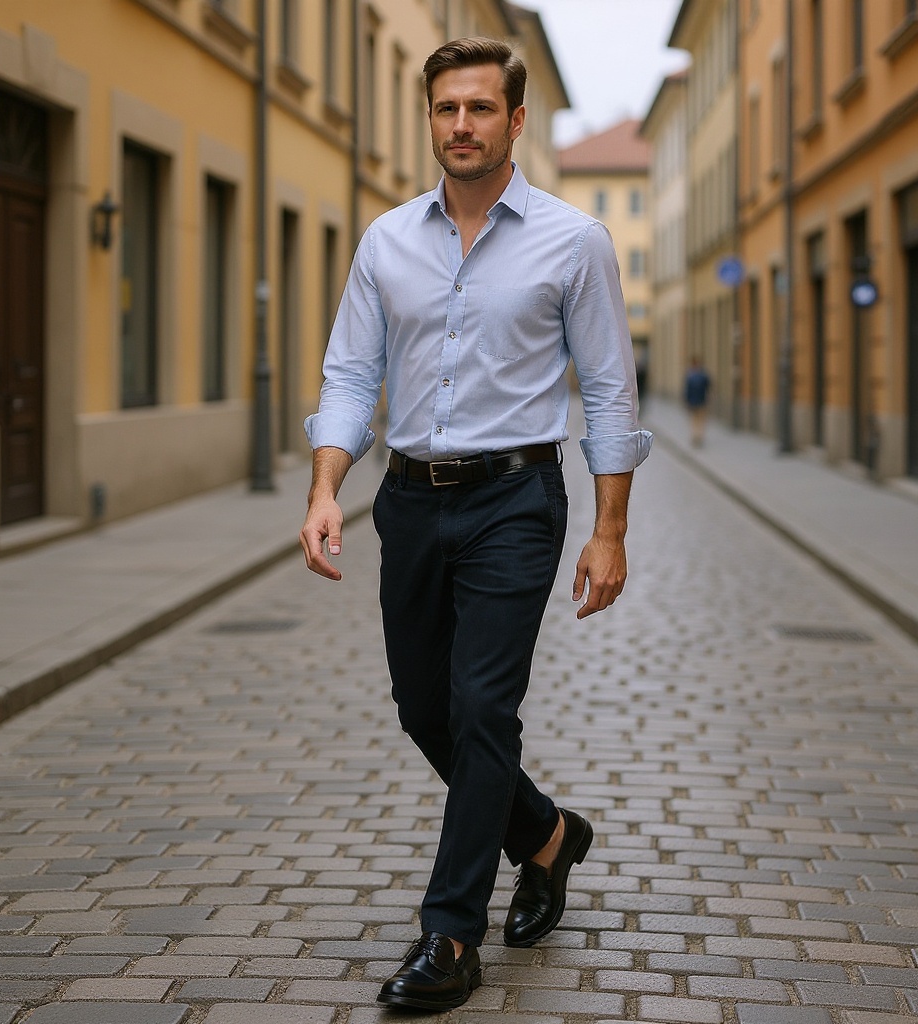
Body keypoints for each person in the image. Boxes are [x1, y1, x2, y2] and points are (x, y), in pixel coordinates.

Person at [300, 36, 652, 1011]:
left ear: (515, 120)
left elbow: (610, 391)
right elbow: (350, 373)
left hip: (515, 500)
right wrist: (328, 485)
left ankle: (449, 937)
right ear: (430, 118)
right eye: (446, 109)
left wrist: (609, 526)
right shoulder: (386, 241)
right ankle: (547, 837)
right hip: (407, 499)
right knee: (426, 709)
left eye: (480, 109)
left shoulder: (572, 240)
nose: (461, 125)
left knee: (483, 709)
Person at [683, 354, 712, 447]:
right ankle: (699, 436)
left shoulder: (689, 376)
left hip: (692, 402)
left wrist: (686, 401)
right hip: (702, 401)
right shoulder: (704, 375)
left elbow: (687, 390)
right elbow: (709, 388)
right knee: (701, 420)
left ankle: (695, 436)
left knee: (694, 420)